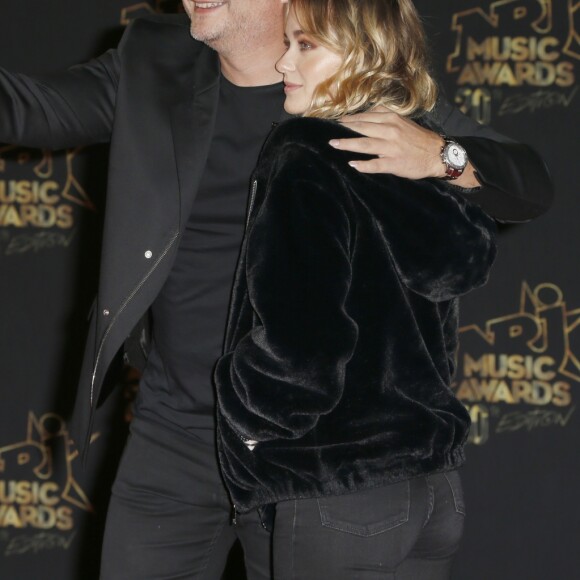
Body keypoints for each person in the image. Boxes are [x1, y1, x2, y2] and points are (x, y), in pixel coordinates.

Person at [0, 1, 552, 578]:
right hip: (172, 436)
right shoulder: (150, 58)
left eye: (304, 45)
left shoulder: (353, 83)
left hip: (301, 450)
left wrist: (443, 156)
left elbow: (529, 183)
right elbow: (27, 109)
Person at [213, 1, 496, 578]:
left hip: (338, 490)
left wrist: (242, 419)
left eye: (306, 45)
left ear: (363, 54)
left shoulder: (305, 154)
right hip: (433, 491)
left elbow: (304, 349)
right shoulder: (417, 154)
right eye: (288, 41)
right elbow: (463, 264)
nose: (284, 59)